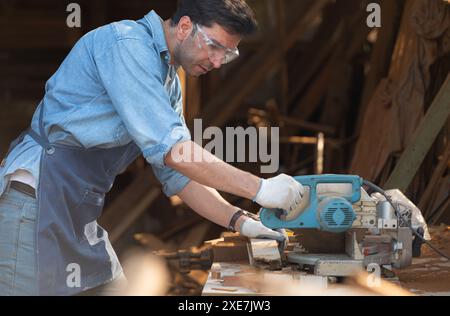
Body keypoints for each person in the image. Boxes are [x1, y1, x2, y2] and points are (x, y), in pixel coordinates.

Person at [0, 0, 304, 295]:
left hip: (77, 207)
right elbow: (174, 151)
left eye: (227, 55)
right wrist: (260, 188)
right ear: (185, 26)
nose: (216, 62)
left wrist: (240, 219)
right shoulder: (126, 45)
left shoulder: (169, 82)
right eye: (214, 46)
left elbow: (178, 174)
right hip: (36, 200)